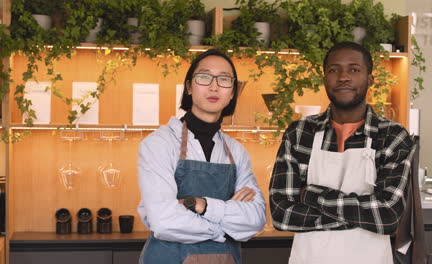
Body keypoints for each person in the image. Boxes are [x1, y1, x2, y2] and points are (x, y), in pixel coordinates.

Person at [269, 41, 415, 264]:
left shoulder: (392, 136)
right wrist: (364, 218)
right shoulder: (299, 133)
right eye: (334, 70)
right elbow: (282, 214)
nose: (343, 77)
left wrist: (310, 194)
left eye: (354, 70)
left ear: (370, 79)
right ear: (324, 78)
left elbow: (387, 216)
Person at [137, 49, 266, 264]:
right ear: (188, 86)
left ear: (232, 92)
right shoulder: (159, 143)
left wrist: (202, 205)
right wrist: (223, 228)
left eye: (224, 79)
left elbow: (255, 220)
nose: (214, 86)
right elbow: (163, 220)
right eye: (204, 77)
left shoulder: (237, 152)